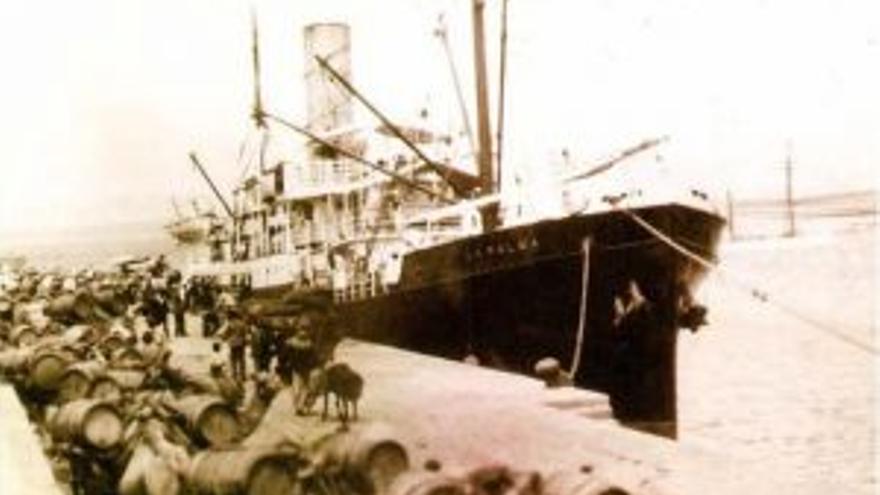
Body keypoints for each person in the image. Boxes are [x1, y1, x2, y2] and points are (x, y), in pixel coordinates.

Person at [220, 309, 249, 382]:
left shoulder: (231, 323)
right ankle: (243, 375)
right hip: (241, 343)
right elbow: (245, 333)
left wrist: (223, 338)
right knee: (241, 359)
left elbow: (226, 333)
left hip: (233, 343)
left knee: (233, 360)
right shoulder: (242, 323)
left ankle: (234, 375)